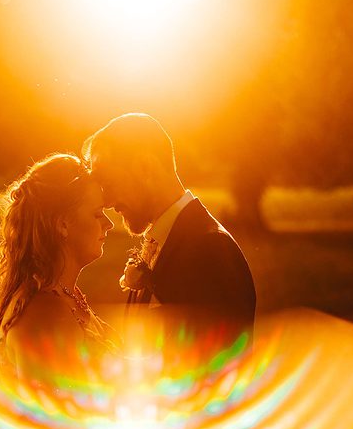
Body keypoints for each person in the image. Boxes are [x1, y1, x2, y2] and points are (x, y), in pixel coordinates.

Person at [82, 113, 256, 328]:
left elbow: (218, 358)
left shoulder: (210, 249)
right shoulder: (162, 241)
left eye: (109, 183)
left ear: (146, 168)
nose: (106, 201)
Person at [0, 153, 120, 384]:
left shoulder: (65, 296)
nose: (109, 224)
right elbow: (60, 413)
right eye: (97, 214)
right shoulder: (45, 314)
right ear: (62, 224)